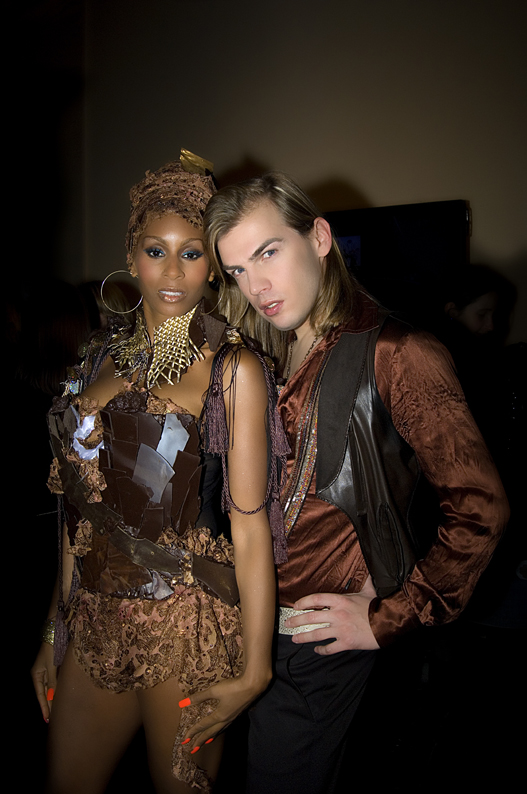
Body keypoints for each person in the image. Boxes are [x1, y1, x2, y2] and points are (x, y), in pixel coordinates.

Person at [203, 172, 510, 794]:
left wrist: (389, 616)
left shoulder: (400, 353)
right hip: (247, 624)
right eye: (236, 270)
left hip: (316, 643)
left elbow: (480, 509)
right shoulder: (265, 353)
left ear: (319, 238)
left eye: (268, 252)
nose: (256, 286)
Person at [31, 152, 288, 794]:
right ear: (131, 254)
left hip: (186, 627)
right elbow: (77, 519)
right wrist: (53, 630)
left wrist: (256, 669)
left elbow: (250, 529)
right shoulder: (100, 357)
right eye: (155, 251)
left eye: (191, 253)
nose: (172, 272)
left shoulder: (233, 370)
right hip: (93, 620)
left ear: (213, 265)